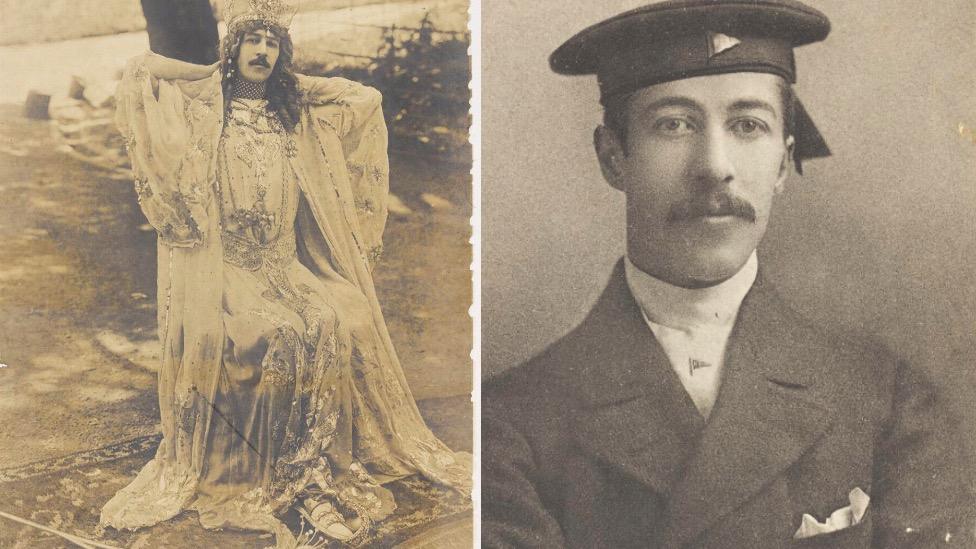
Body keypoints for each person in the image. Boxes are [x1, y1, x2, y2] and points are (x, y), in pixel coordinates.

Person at [482, 1, 975, 547]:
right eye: (674, 124)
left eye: (748, 125)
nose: (715, 164)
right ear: (614, 157)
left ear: (783, 163)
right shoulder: (509, 428)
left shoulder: (888, 399)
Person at [99, 0, 470, 544]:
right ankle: (281, 480)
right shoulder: (210, 104)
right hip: (228, 271)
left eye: (273, 44)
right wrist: (208, 74)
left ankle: (314, 477)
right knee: (282, 332)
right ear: (234, 47)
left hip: (282, 265)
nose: (264, 52)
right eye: (253, 41)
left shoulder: (289, 111)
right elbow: (141, 72)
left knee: (330, 317)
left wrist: (294, 82)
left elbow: (363, 98)